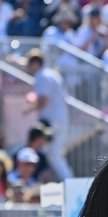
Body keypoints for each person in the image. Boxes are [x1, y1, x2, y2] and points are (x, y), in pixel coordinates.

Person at [24, 49, 73, 181]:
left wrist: (29, 108)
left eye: (29, 64)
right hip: (59, 119)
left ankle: (70, 182)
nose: (28, 67)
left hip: (51, 122)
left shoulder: (41, 76)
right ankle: (55, 182)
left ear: (35, 63)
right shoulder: (52, 74)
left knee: (54, 156)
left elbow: (44, 100)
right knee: (52, 155)